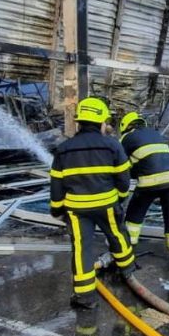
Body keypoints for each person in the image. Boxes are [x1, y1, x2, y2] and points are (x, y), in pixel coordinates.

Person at [50, 97, 135, 310]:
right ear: (100, 123)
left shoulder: (64, 149)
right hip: (107, 205)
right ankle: (127, 271)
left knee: (81, 248)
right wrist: (121, 197)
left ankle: (84, 296)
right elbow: (124, 178)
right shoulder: (112, 146)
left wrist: (57, 208)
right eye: (106, 122)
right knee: (117, 236)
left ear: (80, 122)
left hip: (77, 210)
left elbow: (57, 185)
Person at [119, 111, 169, 273]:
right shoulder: (156, 134)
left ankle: (128, 253)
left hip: (150, 182)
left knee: (134, 217)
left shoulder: (126, 139)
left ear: (125, 127)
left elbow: (121, 167)